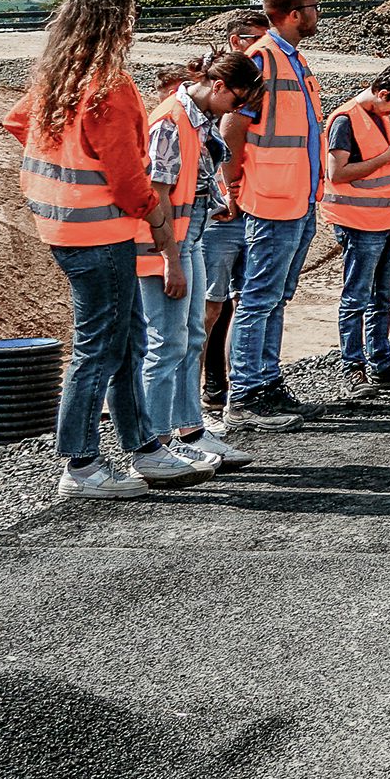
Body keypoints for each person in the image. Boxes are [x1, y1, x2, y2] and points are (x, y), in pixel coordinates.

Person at [8, 0, 209, 500]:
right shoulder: (111, 89)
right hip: (102, 232)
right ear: (120, 24)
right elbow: (127, 178)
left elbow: (17, 123)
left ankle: (143, 447)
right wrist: (154, 216)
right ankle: (81, 465)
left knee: (128, 340)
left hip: (64, 228)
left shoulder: (58, 77)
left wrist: (64, 160)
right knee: (100, 347)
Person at [145, 52, 260, 470]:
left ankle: (189, 431)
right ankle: (153, 443)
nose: (237, 111)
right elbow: (155, 192)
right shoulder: (170, 120)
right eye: (237, 101)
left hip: (189, 236)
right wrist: (170, 258)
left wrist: (216, 202)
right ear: (219, 86)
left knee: (191, 336)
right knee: (167, 344)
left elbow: (190, 179)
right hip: (169, 243)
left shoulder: (196, 119)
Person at [227, 0, 326, 432]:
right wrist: (232, 183)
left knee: (277, 297)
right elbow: (232, 125)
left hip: (298, 197)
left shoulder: (293, 59)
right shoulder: (262, 59)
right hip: (270, 197)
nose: (317, 13)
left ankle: (267, 382)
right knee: (257, 296)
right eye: (312, 7)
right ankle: (245, 395)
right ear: (292, 13)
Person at [322, 61, 390, 397]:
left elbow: (376, 162)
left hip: (386, 221)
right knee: (356, 299)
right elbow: (337, 173)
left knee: (381, 299)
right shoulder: (344, 120)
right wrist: (389, 156)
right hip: (359, 224)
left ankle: (381, 365)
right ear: (382, 93)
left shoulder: (377, 117)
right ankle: (353, 370)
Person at [196, 10, 261, 421]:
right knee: (210, 309)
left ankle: (227, 388)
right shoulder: (209, 106)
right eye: (253, 38)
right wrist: (225, 196)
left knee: (236, 305)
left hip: (245, 211)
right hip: (221, 219)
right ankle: (205, 392)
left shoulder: (245, 95)